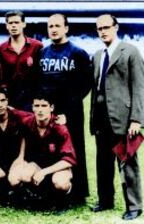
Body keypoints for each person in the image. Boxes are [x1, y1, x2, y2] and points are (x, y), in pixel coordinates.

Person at [90, 14, 144, 220]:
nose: (103, 31)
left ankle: (134, 205)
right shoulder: (97, 55)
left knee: (127, 162)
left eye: (106, 27)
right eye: (99, 28)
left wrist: (136, 119)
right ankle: (105, 200)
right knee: (102, 162)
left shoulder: (130, 51)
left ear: (116, 27)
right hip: (101, 118)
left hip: (123, 118)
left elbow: (139, 87)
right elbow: (96, 90)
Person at [38, 14, 92, 203]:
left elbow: (86, 85)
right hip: (48, 111)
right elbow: (40, 84)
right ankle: (51, 191)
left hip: (71, 110)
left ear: (66, 28)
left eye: (57, 25)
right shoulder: (43, 53)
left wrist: (68, 112)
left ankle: (78, 193)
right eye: (50, 26)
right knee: (49, 150)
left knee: (75, 149)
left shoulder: (78, 53)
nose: (53, 29)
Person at [10, 92, 76, 207]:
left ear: (51, 107)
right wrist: (21, 157)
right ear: (32, 107)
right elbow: (12, 111)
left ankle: (64, 200)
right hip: (38, 165)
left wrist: (44, 172)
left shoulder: (60, 128)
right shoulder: (28, 121)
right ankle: (37, 197)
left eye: (44, 106)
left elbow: (69, 160)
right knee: (18, 176)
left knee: (60, 182)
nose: (40, 110)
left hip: (58, 168)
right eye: (37, 106)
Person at [0, 10, 43, 111]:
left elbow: (41, 75)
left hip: (32, 98)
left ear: (23, 24)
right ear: (6, 26)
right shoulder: (1, 49)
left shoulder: (37, 46)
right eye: (10, 23)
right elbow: (1, 77)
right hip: (11, 99)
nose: (13, 26)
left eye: (16, 22)